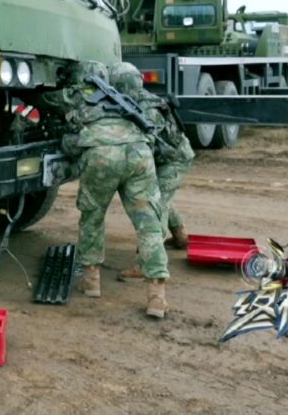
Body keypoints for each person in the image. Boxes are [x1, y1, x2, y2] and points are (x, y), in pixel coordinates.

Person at [53, 60, 169, 318]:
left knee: (93, 217)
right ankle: (156, 297)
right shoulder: (128, 101)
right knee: (149, 224)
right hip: (139, 154)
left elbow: (56, 109)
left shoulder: (83, 97)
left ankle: (92, 281)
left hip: (102, 155)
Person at [117, 67, 195, 282]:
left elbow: (145, 144)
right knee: (162, 196)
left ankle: (147, 263)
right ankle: (181, 236)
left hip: (172, 160)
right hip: (170, 157)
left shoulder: (143, 108)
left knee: (155, 206)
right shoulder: (145, 99)